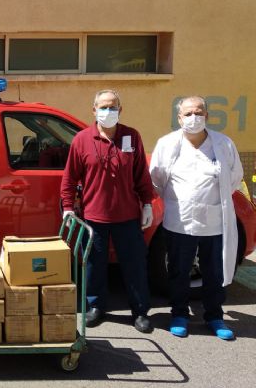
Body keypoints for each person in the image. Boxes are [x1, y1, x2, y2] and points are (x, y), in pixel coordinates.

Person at [60, 89, 154, 333]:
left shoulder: (131, 137)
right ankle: (95, 307)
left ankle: (141, 311)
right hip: (94, 217)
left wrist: (147, 203)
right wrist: (68, 208)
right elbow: (69, 179)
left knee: (134, 265)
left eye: (113, 107)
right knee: (93, 265)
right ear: (94, 110)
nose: (108, 111)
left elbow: (141, 175)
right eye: (103, 107)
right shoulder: (82, 139)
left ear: (120, 110)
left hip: (127, 216)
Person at [150, 96, 243, 340]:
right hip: (179, 221)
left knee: (213, 272)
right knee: (179, 271)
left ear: (207, 116)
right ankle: (179, 313)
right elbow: (157, 179)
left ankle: (214, 316)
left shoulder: (223, 144)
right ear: (179, 118)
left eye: (198, 112)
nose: (194, 117)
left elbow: (234, 178)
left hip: (214, 221)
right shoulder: (167, 144)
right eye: (188, 113)